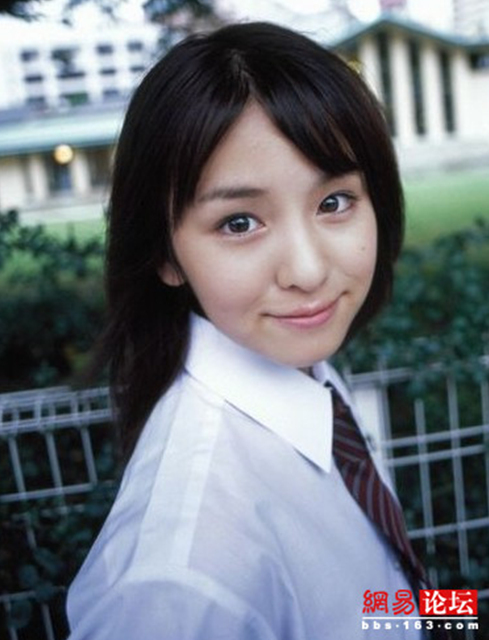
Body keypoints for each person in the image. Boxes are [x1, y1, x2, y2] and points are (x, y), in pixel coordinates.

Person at [66, 21, 433, 640]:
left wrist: (463, 611)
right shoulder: (179, 583)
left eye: (334, 202)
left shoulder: (307, 382)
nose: (308, 271)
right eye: (239, 222)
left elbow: (375, 603)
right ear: (165, 253)